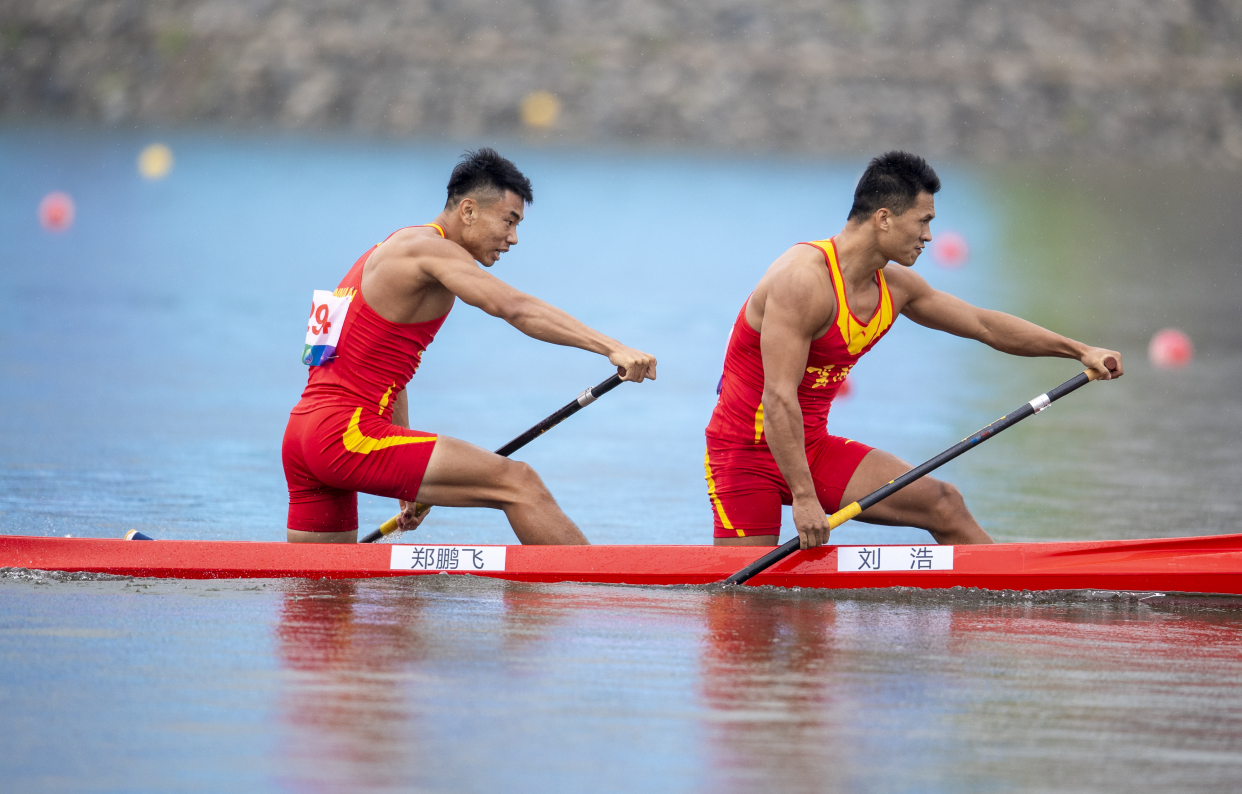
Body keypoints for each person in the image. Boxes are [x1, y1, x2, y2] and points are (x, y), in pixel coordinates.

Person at [704, 151, 1122, 550]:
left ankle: (1019, 600)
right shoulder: (802, 283)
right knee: (746, 609)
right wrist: (804, 496)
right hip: (745, 455)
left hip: (810, 447)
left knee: (943, 503)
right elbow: (777, 398)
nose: (929, 236)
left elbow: (984, 325)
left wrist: (1079, 350)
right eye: (923, 221)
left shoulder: (896, 287)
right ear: (884, 218)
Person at [283, 148, 656, 544]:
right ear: (468, 211)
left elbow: (389, 371)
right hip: (347, 435)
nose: (513, 238)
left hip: (303, 436)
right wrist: (612, 347)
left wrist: (408, 480)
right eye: (508, 221)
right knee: (519, 483)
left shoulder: (389, 248)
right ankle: (595, 596)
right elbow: (514, 308)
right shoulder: (430, 250)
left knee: (321, 592)